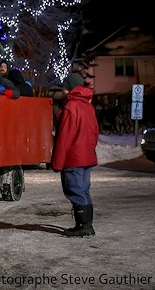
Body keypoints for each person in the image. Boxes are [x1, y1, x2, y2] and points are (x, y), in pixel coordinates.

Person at [51, 73, 99, 238]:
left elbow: (64, 138)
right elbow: (95, 133)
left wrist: (57, 163)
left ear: (71, 88)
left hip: (73, 158)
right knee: (84, 190)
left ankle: (84, 226)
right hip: (86, 156)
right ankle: (85, 224)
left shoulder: (70, 107)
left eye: (65, 86)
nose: (63, 90)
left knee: (75, 189)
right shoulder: (88, 106)